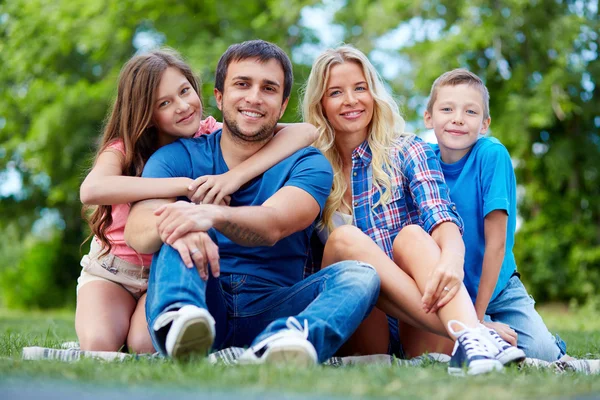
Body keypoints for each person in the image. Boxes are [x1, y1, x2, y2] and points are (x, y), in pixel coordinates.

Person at [124, 39, 380, 365]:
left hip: (274, 305)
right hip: (201, 293)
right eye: (242, 84)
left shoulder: (308, 163)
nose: (254, 98)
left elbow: (274, 223)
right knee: (177, 222)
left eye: (269, 88)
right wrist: (185, 216)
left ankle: (287, 341)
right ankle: (181, 323)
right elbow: (137, 228)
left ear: (284, 104)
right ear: (219, 96)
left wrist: (211, 215)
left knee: (362, 275)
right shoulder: (175, 157)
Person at [76, 48, 319, 353]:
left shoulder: (209, 131)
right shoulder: (126, 147)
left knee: (146, 345)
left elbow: (305, 131)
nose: (182, 106)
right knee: (100, 344)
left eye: (185, 91)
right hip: (116, 269)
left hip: (168, 268)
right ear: (146, 114)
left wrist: (235, 176)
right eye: (164, 103)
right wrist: (185, 186)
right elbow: (91, 190)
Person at [302, 45, 524, 375]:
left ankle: (468, 334)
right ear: (321, 103)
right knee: (345, 241)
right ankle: (473, 331)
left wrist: (452, 255)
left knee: (411, 236)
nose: (351, 100)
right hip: (363, 325)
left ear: (374, 94)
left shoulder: (408, 149)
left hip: (421, 326)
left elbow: (441, 215)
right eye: (336, 92)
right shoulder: (310, 165)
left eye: (360, 88)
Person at [423, 68, 567, 361]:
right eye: (447, 109)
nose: (458, 118)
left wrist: (476, 320)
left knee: (541, 353)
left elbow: (497, 244)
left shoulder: (491, 155)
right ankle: (481, 335)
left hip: (498, 287)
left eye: (471, 111)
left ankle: (527, 338)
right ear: (428, 117)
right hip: (453, 288)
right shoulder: (423, 161)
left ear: (485, 124)